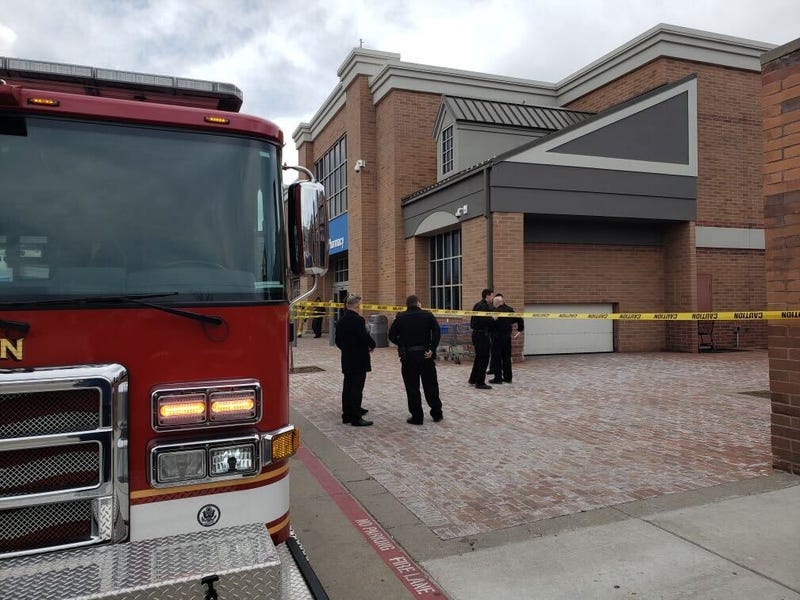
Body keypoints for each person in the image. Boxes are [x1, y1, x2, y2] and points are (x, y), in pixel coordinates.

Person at [388, 295, 444, 425]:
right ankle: (437, 413)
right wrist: (432, 348)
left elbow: (391, 335)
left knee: (412, 387)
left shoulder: (400, 317)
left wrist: (401, 344)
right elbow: (437, 332)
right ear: (418, 303)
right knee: (431, 385)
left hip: (408, 356)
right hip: (426, 354)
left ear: (407, 305)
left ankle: (417, 417)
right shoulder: (428, 315)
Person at [334, 294, 375, 426]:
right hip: (359, 358)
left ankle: (347, 414)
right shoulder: (358, 320)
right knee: (357, 388)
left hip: (347, 358)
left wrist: (346, 349)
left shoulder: (341, 321)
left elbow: (337, 341)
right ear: (357, 306)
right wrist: (372, 344)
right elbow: (363, 336)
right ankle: (356, 417)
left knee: (347, 386)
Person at [488, 293, 524, 384]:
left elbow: (491, 324)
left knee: (497, 358)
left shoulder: (495, 312)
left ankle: (498, 378)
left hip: (497, 338)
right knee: (507, 358)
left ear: (496, 303)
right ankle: (508, 377)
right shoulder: (510, 310)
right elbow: (520, 320)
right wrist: (519, 329)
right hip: (507, 338)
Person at [468, 288, 494, 389]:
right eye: (492, 296)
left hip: (478, 334)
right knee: (483, 358)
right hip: (481, 335)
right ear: (487, 296)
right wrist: (493, 319)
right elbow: (484, 322)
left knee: (479, 357)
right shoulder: (483, 307)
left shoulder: (478, 305)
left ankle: (473, 378)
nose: (492, 298)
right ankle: (480, 382)